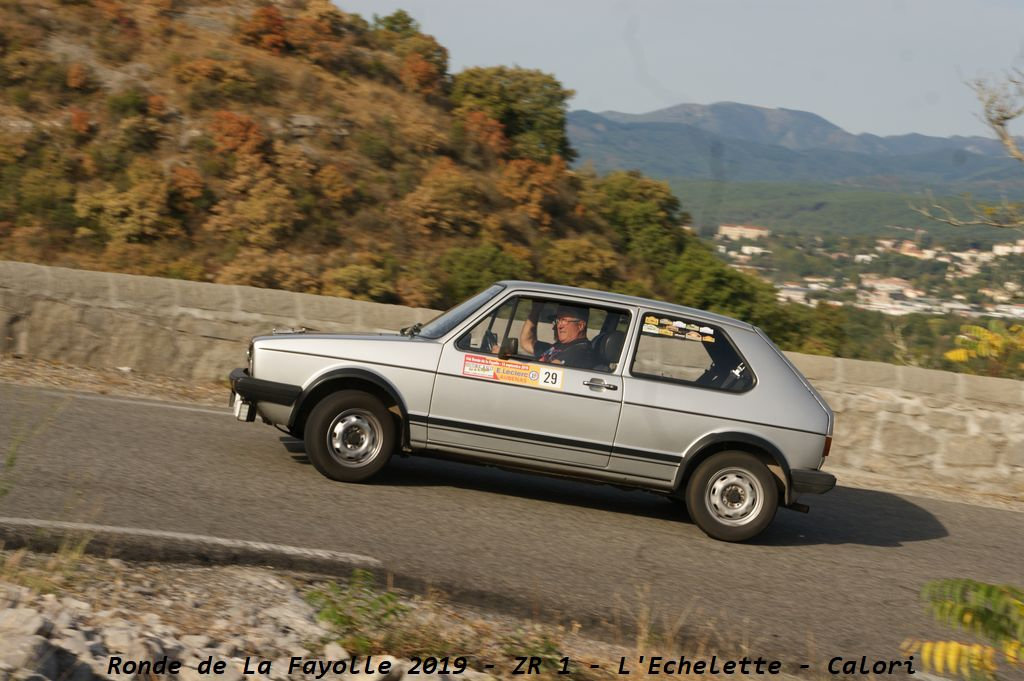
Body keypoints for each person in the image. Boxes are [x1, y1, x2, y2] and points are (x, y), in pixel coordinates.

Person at [519, 302, 598, 369]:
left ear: (580, 326)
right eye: (558, 320)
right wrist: (535, 311)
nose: (559, 326)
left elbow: (554, 370)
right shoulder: (558, 346)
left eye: (564, 320)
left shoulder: (582, 352)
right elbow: (527, 342)